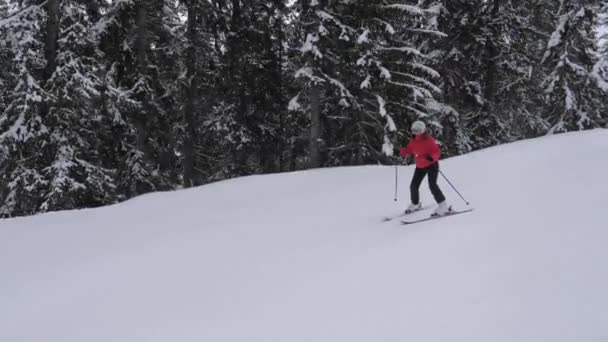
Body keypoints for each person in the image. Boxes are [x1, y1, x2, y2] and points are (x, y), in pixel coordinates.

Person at [399, 120, 451, 216]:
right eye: (414, 130)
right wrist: (404, 151)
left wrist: (431, 157)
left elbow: (437, 152)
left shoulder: (429, 140)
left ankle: (443, 206)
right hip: (420, 166)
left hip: (431, 165)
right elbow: (410, 149)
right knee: (413, 186)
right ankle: (415, 204)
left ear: (422, 130)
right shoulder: (413, 140)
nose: (415, 132)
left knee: (432, 185)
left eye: (417, 130)